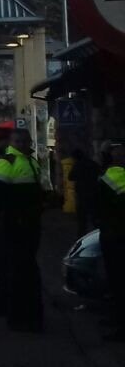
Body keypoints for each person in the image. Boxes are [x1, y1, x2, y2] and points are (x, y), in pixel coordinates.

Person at [0, 128, 44, 332]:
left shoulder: (32, 162)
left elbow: (37, 192)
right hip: (12, 225)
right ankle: (16, 315)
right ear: (11, 142)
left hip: (29, 224)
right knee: (15, 269)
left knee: (22, 269)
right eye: (17, 141)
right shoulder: (6, 162)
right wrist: (5, 218)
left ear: (30, 142)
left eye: (24, 141)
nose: (21, 144)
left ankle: (14, 309)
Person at [93, 143, 125, 343]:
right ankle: (116, 318)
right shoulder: (112, 173)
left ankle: (120, 324)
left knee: (119, 281)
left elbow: (101, 202)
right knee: (116, 281)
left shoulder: (114, 174)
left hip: (116, 234)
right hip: (113, 232)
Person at [69, 144, 101, 237]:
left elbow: (70, 177)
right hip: (94, 194)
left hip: (82, 195)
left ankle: (81, 238)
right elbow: (100, 173)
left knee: (82, 221)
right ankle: (99, 235)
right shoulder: (92, 163)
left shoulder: (77, 165)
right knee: (95, 218)